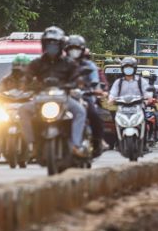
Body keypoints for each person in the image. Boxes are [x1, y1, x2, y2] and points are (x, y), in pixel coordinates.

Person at [19, 26, 87, 157]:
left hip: (64, 98)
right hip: (41, 99)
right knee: (23, 110)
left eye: (55, 44)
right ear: (43, 45)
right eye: (49, 44)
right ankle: (31, 144)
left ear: (61, 46)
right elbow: (26, 77)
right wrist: (25, 85)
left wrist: (73, 85)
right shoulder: (36, 63)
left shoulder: (69, 63)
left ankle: (76, 145)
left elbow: (77, 78)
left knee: (80, 111)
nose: (52, 47)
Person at [66, 35, 105, 157]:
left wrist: (97, 89)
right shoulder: (63, 63)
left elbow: (95, 80)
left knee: (94, 114)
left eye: (76, 49)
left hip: (84, 95)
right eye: (71, 49)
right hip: (66, 96)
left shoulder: (89, 65)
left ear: (82, 50)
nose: (74, 52)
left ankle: (98, 141)